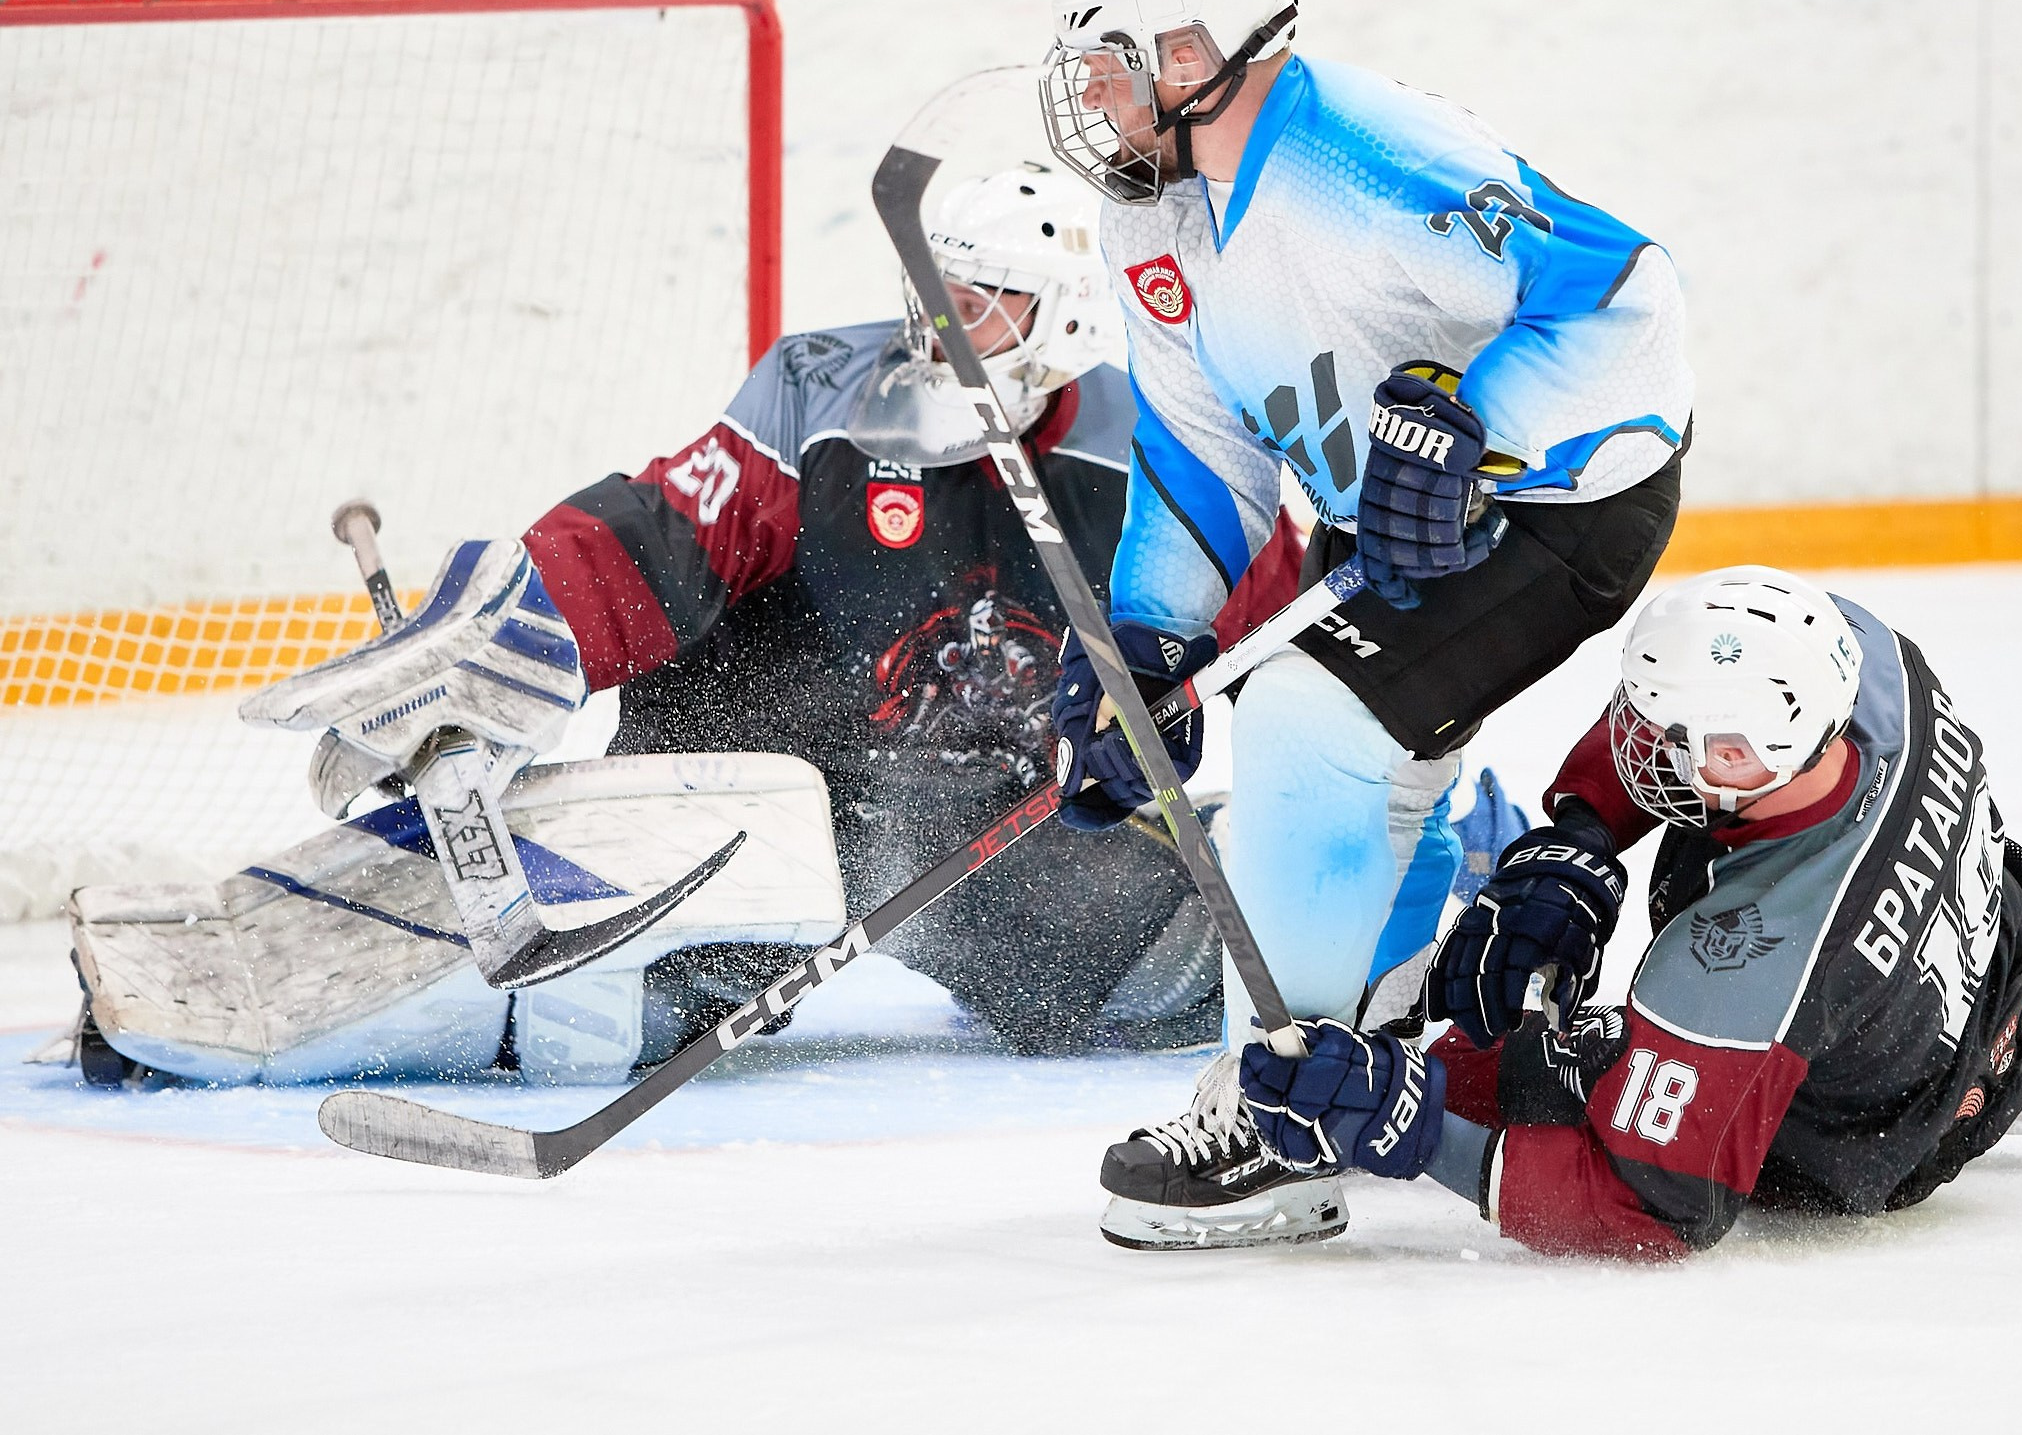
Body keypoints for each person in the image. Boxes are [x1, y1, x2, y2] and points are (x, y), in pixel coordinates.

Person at [68, 165, 1264, 1086]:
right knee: (595, 1012)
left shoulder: (1146, 441)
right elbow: (656, 534)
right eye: (931, 291)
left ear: (1057, 320)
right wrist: (508, 637)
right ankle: (272, 986)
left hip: (969, 822)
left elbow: (1272, 603)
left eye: (982, 305)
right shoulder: (823, 389)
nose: (941, 327)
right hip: (746, 778)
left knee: (1125, 968)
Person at [1034, 0, 1694, 1249]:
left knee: (1311, 722)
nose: (1091, 99)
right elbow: (1198, 453)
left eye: (1108, 62)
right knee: (1374, 772)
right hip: (1380, 518)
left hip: (1561, 503)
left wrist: (1469, 425)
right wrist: (1144, 648)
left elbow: (1626, 294)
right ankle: (1366, 1039)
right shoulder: (1150, 219)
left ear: (1187, 50)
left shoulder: (1371, 152)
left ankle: (1279, 1116)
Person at [1233, 565, 2022, 1258]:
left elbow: (1655, 1213)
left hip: (1869, 1143)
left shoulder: (1741, 964)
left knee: (1509, 1055)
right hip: (2003, 1002)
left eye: (1671, 743)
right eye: (1642, 720)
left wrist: (1412, 1125)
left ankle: (1372, 1089)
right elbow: (2010, 904)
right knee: (1980, 881)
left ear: (1751, 751)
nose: (1633, 747)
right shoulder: (1872, 667)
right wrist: (1577, 835)